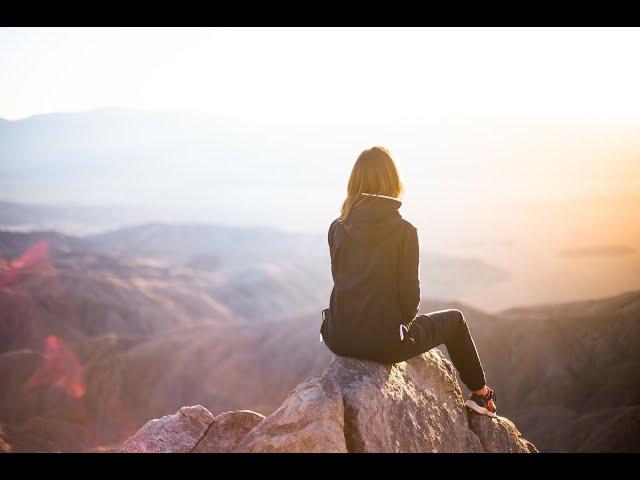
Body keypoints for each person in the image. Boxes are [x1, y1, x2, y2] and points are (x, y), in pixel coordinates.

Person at [320, 146, 497, 417]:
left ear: (354, 182)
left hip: (338, 337)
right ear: (393, 182)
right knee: (456, 321)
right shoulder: (404, 232)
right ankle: (481, 395)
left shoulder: (337, 226)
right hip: (384, 344)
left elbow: (342, 282)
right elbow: (409, 304)